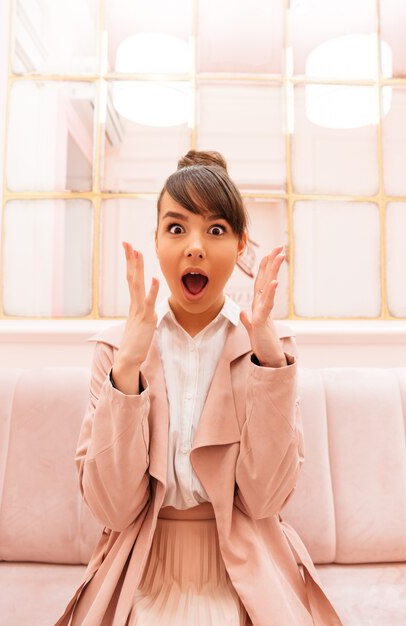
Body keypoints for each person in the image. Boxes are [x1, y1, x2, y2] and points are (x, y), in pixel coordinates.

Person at [55, 150, 343, 626]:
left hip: (245, 565)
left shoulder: (269, 345)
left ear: (240, 244)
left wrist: (270, 364)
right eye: (176, 228)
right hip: (140, 563)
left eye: (216, 230)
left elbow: (266, 501)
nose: (195, 247)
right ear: (156, 240)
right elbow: (111, 507)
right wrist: (127, 368)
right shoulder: (116, 348)